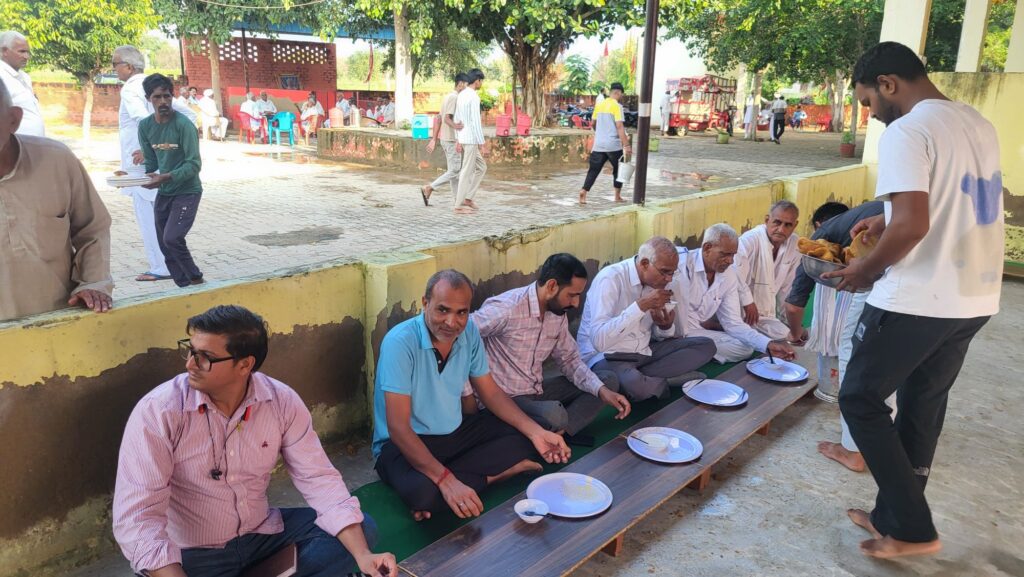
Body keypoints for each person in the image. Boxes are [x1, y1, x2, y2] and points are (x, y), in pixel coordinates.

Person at [823, 41, 1003, 559]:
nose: (870, 114)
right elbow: (955, 203)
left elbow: (914, 225)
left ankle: (915, 528)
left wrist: (865, 270)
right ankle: (895, 520)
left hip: (918, 297)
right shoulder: (975, 123)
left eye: (867, 101)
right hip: (973, 298)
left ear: (888, 84)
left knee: (860, 398)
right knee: (922, 405)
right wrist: (886, 220)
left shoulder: (908, 130)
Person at [113, 305, 397, 577]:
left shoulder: (280, 401)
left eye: (204, 357)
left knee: (361, 531)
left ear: (244, 365)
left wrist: (363, 555)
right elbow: (138, 518)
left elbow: (318, 478)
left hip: (261, 535)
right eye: (190, 350)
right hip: (195, 553)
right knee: (154, 567)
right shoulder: (159, 411)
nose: (190, 364)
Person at [372, 270, 571, 520]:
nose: (451, 322)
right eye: (442, 310)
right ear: (425, 303)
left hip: (455, 433)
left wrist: (536, 433)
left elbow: (491, 393)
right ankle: (496, 475)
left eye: (461, 312)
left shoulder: (469, 333)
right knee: (422, 493)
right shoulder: (399, 343)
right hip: (403, 444)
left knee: (537, 430)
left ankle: (450, 482)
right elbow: (399, 428)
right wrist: (446, 481)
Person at [781, 200, 893, 474]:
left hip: (884, 285)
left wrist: (795, 335)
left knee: (853, 355)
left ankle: (853, 449)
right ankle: (887, 435)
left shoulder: (821, 238)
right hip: (923, 293)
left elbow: (793, 306)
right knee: (891, 361)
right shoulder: (890, 210)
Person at [472, 253, 632, 441]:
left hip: (537, 391)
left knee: (607, 381)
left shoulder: (557, 314)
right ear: (551, 286)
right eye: (572, 295)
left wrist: (602, 391)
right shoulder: (507, 308)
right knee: (554, 415)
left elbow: (570, 361)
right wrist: (468, 389)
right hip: (504, 399)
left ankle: (559, 434)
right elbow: (461, 333)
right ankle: (544, 431)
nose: (576, 303)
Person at [0, 81, 113, 321]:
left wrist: (92, 282)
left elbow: (93, 228)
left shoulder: (56, 160)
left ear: (13, 119)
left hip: (57, 322)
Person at [577, 236, 717, 401]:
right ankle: (663, 381)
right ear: (644, 264)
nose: (669, 279)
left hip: (644, 352)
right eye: (664, 272)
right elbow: (599, 341)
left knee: (706, 346)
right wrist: (640, 306)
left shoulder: (662, 283)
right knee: (634, 384)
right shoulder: (610, 278)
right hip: (607, 356)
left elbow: (657, 336)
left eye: (672, 273)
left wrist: (665, 327)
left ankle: (645, 380)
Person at [682, 224, 795, 363]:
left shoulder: (729, 274)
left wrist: (767, 345)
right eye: (724, 254)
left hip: (697, 333)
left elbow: (733, 323)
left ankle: (692, 355)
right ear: (707, 248)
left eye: (733, 255)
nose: (730, 261)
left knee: (744, 348)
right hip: (673, 333)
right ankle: (687, 355)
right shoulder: (683, 267)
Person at [113, 45, 174, 284]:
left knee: (148, 216)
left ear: (128, 67)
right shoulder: (156, 87)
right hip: (160, 160)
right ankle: (171, 261)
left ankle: (161, 266)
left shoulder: (131, 89)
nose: (114, 69)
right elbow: (186, 115)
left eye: (115, 64)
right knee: (161, 212)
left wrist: (150, 149)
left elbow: (142, 118)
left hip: (142, 164)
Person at [139, 74, 204, 289]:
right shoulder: (145, 126)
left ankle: (196, 279)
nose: (163, 102)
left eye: (167, 96)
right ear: (149, 99)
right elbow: (151, 162)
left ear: (172, 96)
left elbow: (194, 164)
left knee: (172, 238)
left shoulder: (184, 125)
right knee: (163, 244)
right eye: (157, 97)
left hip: (188, 191)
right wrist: (141, 177)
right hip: (165, 192)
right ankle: (183, 286)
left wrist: (165, 177)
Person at [733, 200, 801, 340]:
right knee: (744, 344)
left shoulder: (795, 244)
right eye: (777, 222)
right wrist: (747, 302)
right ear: (767, 220)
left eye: (788, 225)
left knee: (790, 335)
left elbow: (788, 289)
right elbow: (734, 274)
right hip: (738, 307)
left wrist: (789, 323)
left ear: (795, 225)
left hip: (764, 316)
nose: (781, 229)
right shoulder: (749, 240)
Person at [578, 82, 632, 205]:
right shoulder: (617, 106)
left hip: (598, 145)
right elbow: (619, 126)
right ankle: (617, 196)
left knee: (593, 170)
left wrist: (600, 133)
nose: (621, 97)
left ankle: (583, 191)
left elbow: (593, 123)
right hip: (613, 145)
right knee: (619, 170)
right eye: (621, 94)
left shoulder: (599, 105)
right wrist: (626, 145)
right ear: (618, 92)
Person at [421, 73, 467, 206]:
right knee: (454, 170)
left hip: (445, 139)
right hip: (451, 140)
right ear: (460, 84)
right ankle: (429, 187)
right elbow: (446, 118)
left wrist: (434, 139)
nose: (467, 88)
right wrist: (457, 127)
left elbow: (438, 118)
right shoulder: (454, 98)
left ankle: (458, 200)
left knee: (454, 172)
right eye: (466, 84)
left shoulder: (447, 97)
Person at [453, 69, 488, 214]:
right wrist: (482, 144)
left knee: (482, 167)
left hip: (464, 138)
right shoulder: (473, 97)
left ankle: (468, 198)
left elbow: (456, 118)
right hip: (471, 139)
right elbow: (475, 122)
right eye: (481, 81)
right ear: (477, 80)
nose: (481, 83)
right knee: (466, 172)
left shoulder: (461, 94)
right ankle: (458, 206)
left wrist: (457, 139)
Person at [0, 31, 44, 137]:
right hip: (13, 144)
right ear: (4, 51)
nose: (26, 57)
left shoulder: (24, 77)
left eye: (28, 52)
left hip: (31, 143)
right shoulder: (2, 78)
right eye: (22, 51)